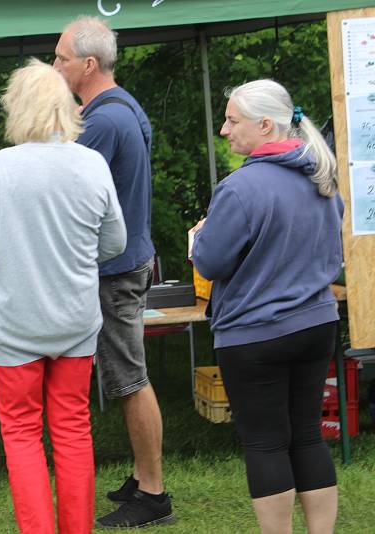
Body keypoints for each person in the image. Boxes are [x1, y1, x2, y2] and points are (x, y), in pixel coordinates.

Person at [0, 59, 127, 534]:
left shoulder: (4, 166)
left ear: (17, 110)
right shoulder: (91, 163)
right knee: (73, 430)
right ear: (64, 107)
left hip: (14, 326)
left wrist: (4, 258)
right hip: (75, 321)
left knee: (21, 433)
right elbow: (114, 243)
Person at [191, 79, 343, 534]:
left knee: (266, 444)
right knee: (308, 435)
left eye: (232, 120)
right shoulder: (322, 176)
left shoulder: (241, 188)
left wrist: (200, 237)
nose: (223, 130)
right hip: (316, 323)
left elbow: (212, 261)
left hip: (255, 334)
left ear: (264, 125)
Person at [54, 16, 173, 528]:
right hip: (129, 260)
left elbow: (64, 190)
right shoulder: (123, 105)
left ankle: (152, 494)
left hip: (115, 271)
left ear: (86, 64)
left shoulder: (102, 121)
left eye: (59, 58)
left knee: (129, 379)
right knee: (127, 376)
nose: (53, 65)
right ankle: (142, 475)